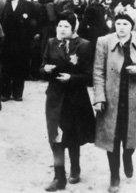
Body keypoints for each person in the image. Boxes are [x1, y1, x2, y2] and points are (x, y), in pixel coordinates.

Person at [93, 13, 136, 193]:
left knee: (131, 136)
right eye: (118, 23)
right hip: (112, 98)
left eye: (125, 24)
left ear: (131, 26)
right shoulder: (104, 41)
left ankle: (128, 156)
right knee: (112, 138)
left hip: (133, 97)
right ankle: (114, 177)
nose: (121, 27)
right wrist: (99, 97)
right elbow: (98, 72)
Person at [40, 11, 95, 191]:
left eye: (66, 26)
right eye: (60, 26)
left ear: (74, 28)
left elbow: (88, 76)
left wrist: (71, 78)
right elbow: (41, 67)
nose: (62, 30)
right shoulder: (51, 43)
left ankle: (75, 168)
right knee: (54, 136)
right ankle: (58, 176)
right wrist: (45, 70)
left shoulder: (84, 45)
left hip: (74, 98)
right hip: (55, 97)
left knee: (72, 136)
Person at [0, 0, 37, 102]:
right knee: (5, 68)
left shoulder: (28, 5)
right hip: (6, 43)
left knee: (20, 67)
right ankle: (5, 93)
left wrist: (29, 37)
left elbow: (34, 23)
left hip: (22, 44)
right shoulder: (3, 4)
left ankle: (17, 93)